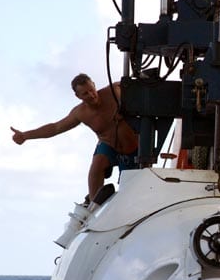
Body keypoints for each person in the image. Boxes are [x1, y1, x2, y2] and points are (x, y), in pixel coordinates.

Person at [11, 73, 138, 201]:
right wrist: (25, 135)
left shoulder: (114, 91)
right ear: (78, 96)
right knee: (97, 165)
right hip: (109, 145)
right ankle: (93, 206)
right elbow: (55, 128)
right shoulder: (80, 113)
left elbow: (139, 84)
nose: (91, 95)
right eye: (85, 94)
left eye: (91, 90)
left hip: (133, 148)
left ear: (94, 85)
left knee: (129, 190)